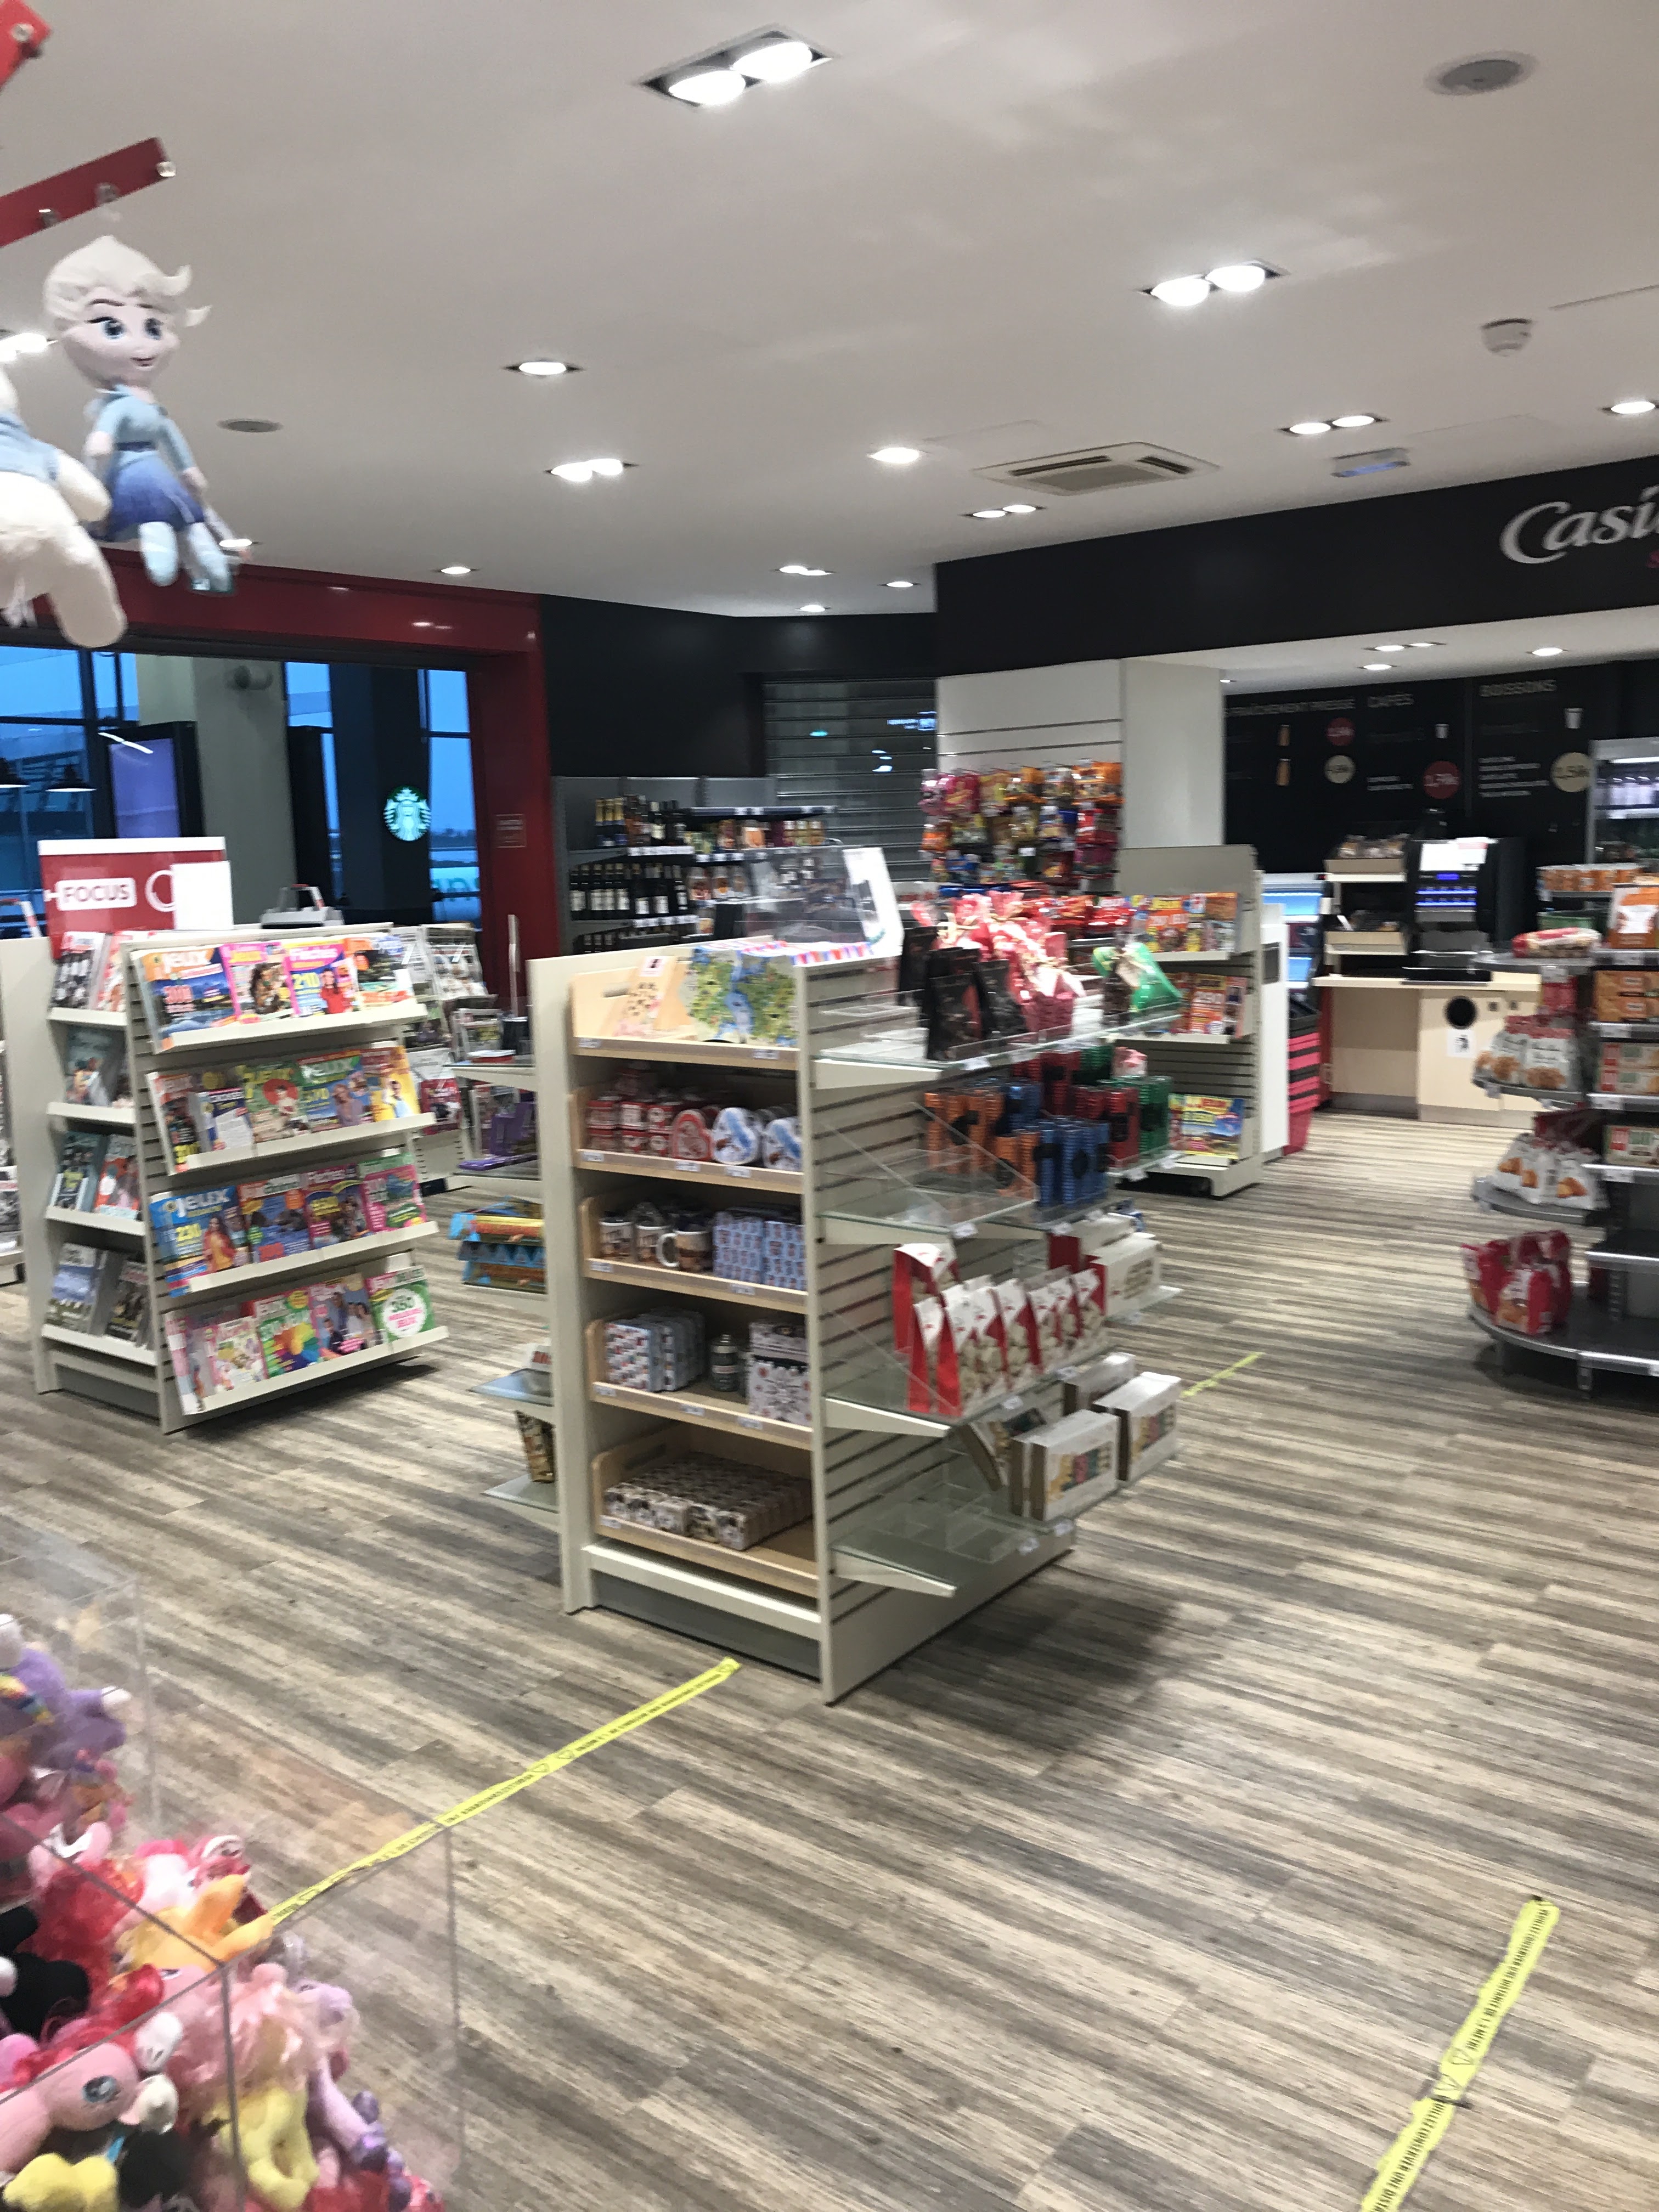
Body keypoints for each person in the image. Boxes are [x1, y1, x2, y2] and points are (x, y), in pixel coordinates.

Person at [43, 235, 236, 593]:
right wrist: (100, 454)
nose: (142, 344)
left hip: (154, 474)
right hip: (135, 476)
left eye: (152, 327)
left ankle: (211, 569)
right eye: (113, 327)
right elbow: (104, 442)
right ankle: (198, 567)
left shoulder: (150, 407)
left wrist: (188, 469)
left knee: (187, 523)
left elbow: (167, 435)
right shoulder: (119, 406)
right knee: (164, 523)